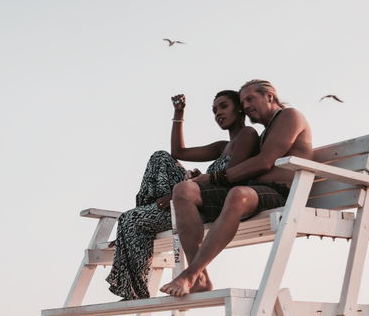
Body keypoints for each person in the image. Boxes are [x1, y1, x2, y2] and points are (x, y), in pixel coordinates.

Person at [160, 79, 313, 297]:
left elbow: (264, 162)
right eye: (243, 102)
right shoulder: (265, 131)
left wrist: (213, 178)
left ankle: (191, 273)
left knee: (237, 194)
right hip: (254, 191)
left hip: (282, 192)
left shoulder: (289, 116)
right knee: (183, 190)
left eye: (251, 99)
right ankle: (201, 278)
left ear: (269, 96)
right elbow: (179, 152)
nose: (246, 105)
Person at [106, 91, 260, 300]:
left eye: (224, 106)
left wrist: (184, 190)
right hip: (199, 194)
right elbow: (178, 152)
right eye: (214, 110)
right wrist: (179, 113)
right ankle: (145, 215)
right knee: (160, 157)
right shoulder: (222, 146)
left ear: (239, 108)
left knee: (129, 219)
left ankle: (136, 290)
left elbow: (230, 177)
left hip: (214, 202)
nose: (218, 113)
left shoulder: (248, 134)